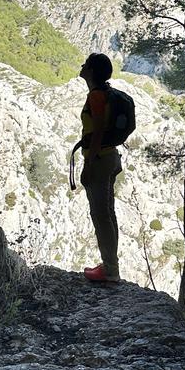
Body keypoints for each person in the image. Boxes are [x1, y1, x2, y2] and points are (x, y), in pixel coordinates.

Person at [78, 52, 122, 283]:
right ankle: (110, 266)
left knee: (100, 215)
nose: (82, 66)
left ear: (92, 71)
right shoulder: (105, 93)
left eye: (86, 64)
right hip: (110, 158)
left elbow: (96, 134)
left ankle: (110, 270)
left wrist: (88, 164)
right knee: (108, 213)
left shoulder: (96, 96)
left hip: (100, 160)